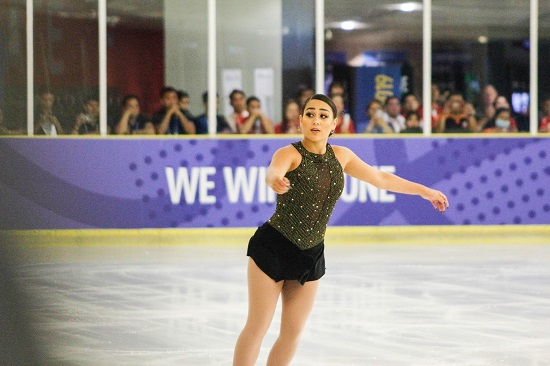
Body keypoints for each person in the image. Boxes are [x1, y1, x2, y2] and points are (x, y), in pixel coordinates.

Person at [232, 94, 449, 366]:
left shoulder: (342, 156)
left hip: (310, 253)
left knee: (292, 333)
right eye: (310, 114)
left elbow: (380, 178)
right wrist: (274, 180)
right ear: (300, 120)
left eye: (323, 116)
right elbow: (274, 171)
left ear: (334, 124)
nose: (316, 120)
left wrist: (424, 192)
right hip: (272, 247)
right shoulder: (288, 153)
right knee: (258, 326)